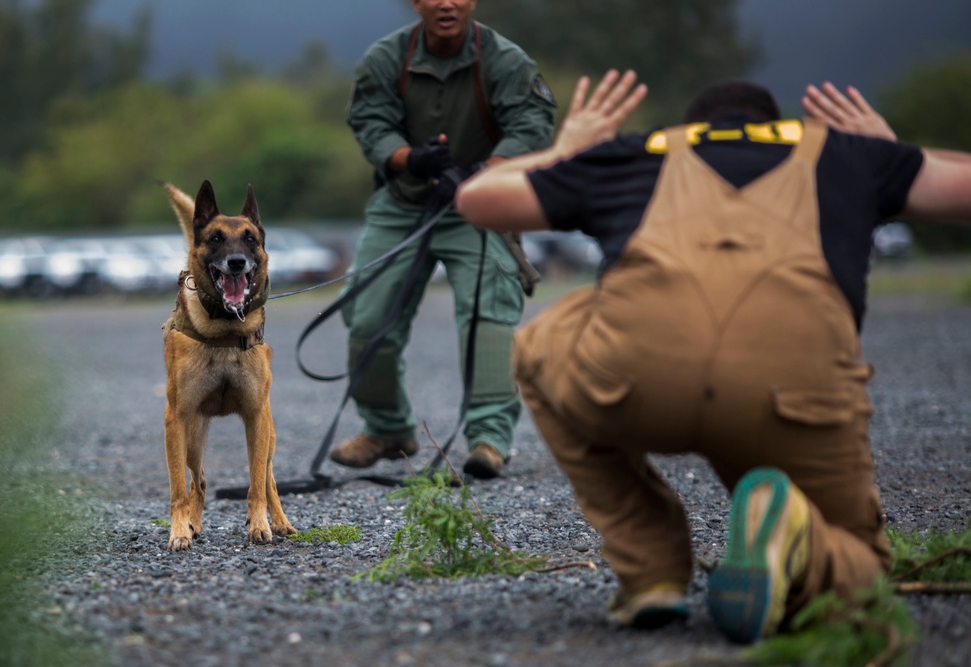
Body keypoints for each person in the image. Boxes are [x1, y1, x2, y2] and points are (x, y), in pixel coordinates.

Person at [455, 70, 971, 640]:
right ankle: (794, 530)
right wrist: (891, 152)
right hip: (795, 400)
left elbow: (477, 199)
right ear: (775, 126)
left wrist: (567, 150)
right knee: (861, 572)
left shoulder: (638, 154)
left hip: (633, 383)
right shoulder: (848, 156)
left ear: (690, 129)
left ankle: (651, 570)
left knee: (538, 340)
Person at [330, 0, 557, 479]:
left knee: (487, 314)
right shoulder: (384, 58)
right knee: (366, 313)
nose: (447, 2)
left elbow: (531, 126)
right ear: (416, 3)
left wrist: (481, 176)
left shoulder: (506, 60)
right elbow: (370, 123)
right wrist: (410, 159)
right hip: (403, 201)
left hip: (480, 201)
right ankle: (388, 429)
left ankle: (489, 440)